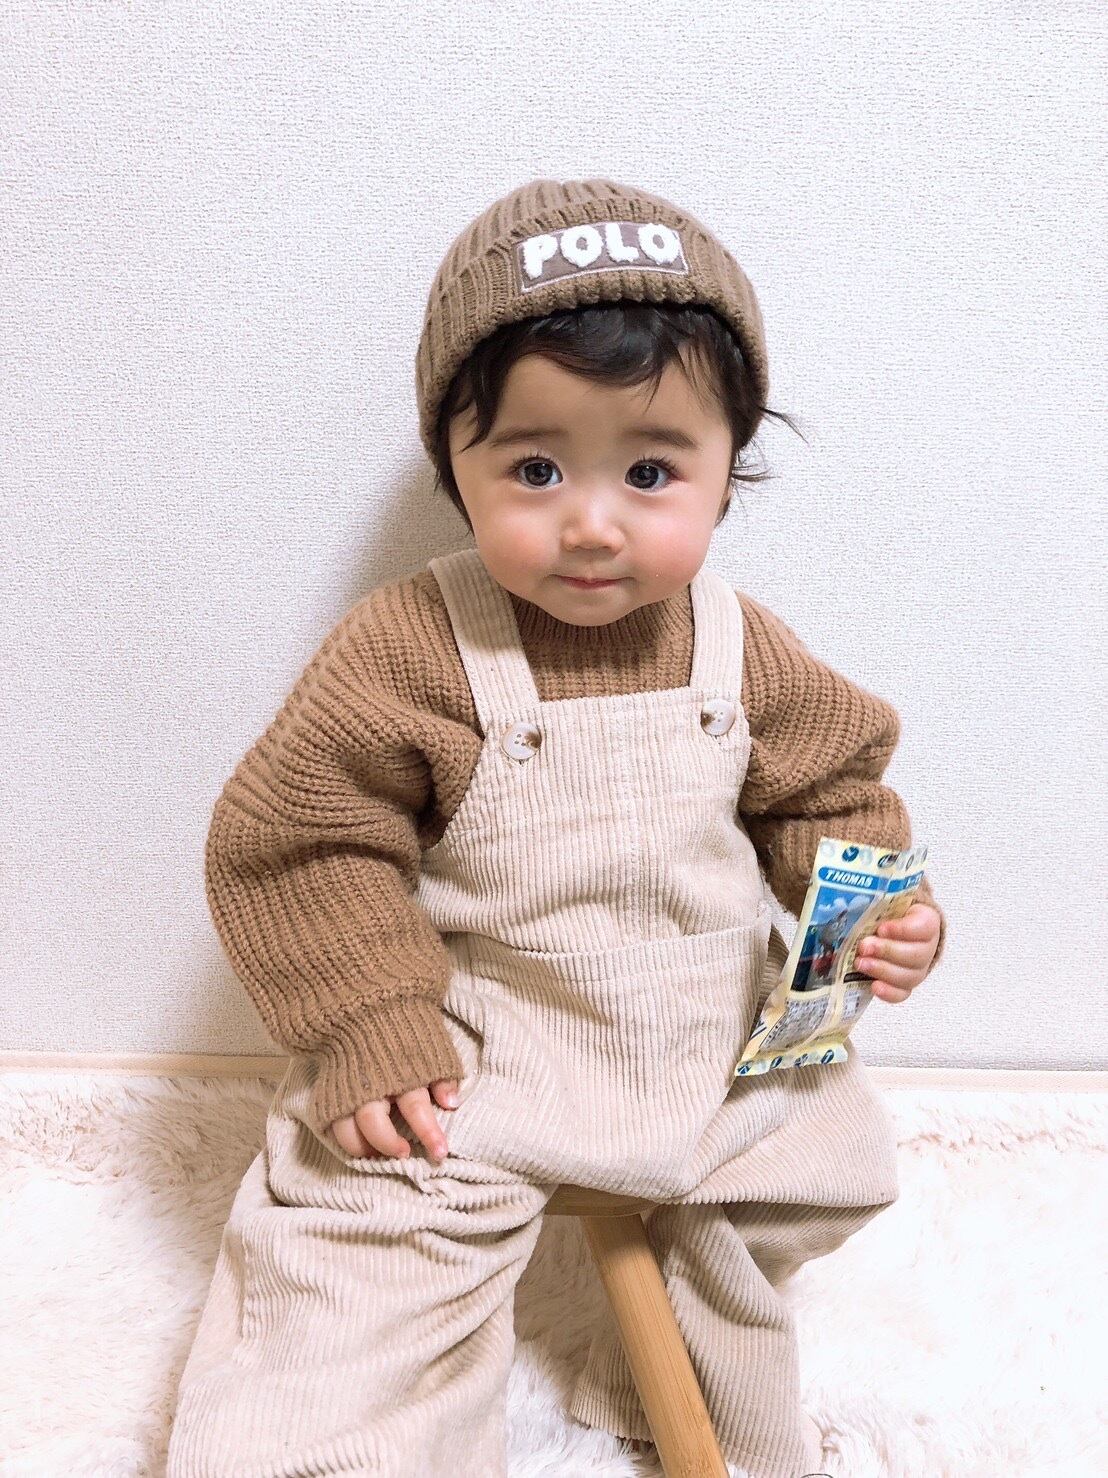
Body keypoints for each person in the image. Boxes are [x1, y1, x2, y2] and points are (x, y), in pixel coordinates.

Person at [166, 177, 947, 1478]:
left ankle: (677, 1333)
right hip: (486, 1044)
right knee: (350, 1258)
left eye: (650, 471)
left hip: (706, 1037)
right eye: (535, 469)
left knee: (835, 1158)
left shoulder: (743, 646)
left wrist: (877, 914)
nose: (591, 521)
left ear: (727, 472)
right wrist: (370, 1019)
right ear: (455, 469)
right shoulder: (414, 647)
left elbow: (832, 791)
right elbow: (305, 839)